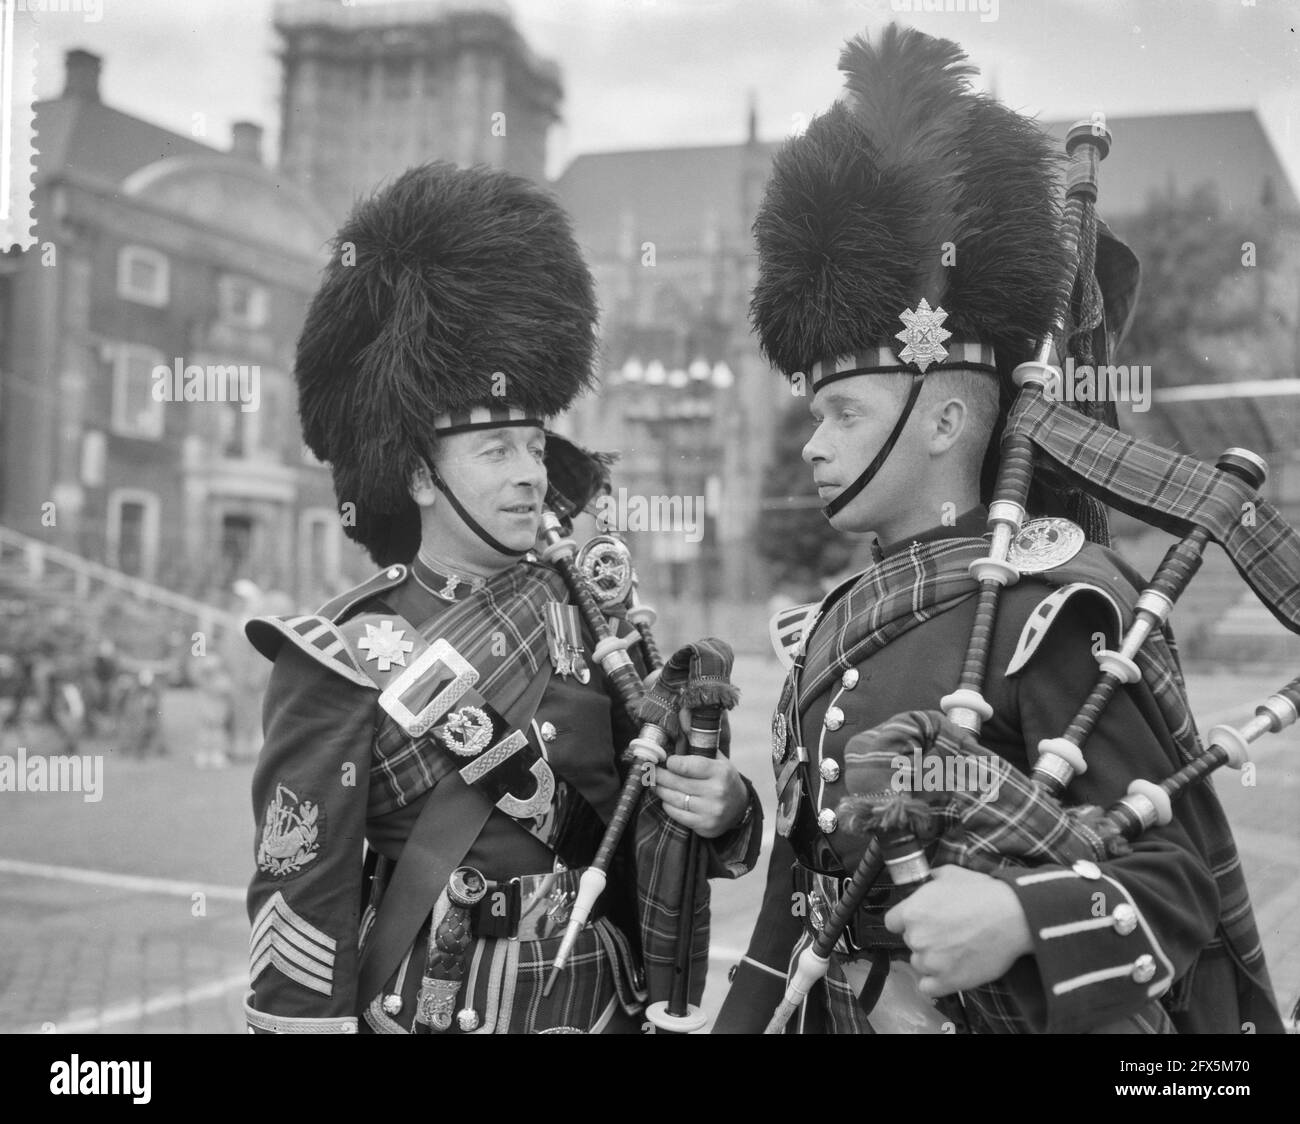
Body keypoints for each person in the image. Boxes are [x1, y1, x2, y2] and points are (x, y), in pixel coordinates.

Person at [715, 25, 1282, 1034]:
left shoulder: (1047, 607)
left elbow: (1177, 882)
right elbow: (791, 912)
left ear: (942, 417)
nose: (810, 445)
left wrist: (1023, 911)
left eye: (842, 412)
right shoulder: (828, 630)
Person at [242, 163, 761, 1034]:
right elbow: (302, 895)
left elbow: (654, 819)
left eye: (532, 444)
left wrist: (727, 805)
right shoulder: (338, 655)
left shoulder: (599, 615)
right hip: (438, 1001)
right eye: (494, 453)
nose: (529, 473)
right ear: (415, 474)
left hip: (602, 999)